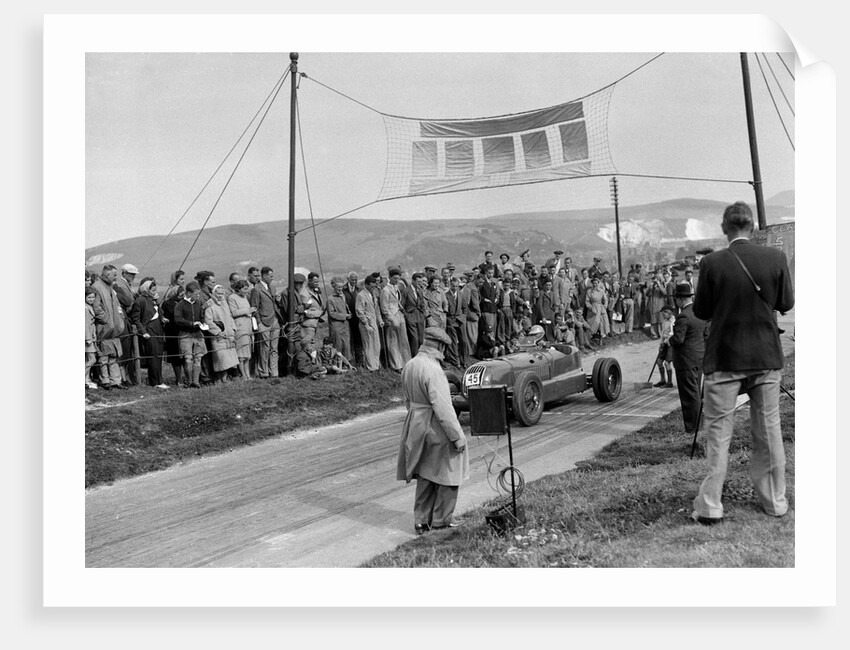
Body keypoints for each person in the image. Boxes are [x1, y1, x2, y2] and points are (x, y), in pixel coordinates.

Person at [690, 201, 795, 524]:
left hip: (724, 355)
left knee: (719, 433)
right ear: (752, 228)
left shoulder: (711, 263)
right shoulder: (775, 258)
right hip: (765, 355)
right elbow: (786, 303)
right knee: (768, 430)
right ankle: (774, 501)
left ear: (725, 229)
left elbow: (702, 311)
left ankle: (710, 505)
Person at [396, 327, 469, 534]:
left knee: (426, 473)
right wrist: (457, 436)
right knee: (449, 471)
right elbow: (444, 407)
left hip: (415, 422)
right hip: (434, 423)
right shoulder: (433, 369)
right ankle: (441, 520)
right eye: (444, 347)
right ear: (439, 345)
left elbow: (407, 400)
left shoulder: (409, 365)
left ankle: (421, 520)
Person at [669, 282, 708, 434]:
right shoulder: (699, 313)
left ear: (679, 299)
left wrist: (669, 340)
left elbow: (678, 340)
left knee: (689, 397)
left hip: (685, 361)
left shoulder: (683, 316)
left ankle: (693, 429)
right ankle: (699, 425)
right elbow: (705, 335)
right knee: (696, 393)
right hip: (698, 359)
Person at [90, 265, 127, 390]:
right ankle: (105, 380)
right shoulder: (96, 287)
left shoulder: (110, 287)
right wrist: (106, 321)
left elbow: (116, 305)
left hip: (114, 329)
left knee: (114, 356)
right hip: (104, 329)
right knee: (104, 357)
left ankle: (115, 380)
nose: (116, 277)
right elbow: (96, 307)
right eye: (114, 275)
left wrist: (119, 318)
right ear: (107, 275)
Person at [128, 278, 168, 389]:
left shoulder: (152, 300)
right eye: (152, 291)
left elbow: (158, 313)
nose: (155, 293)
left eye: (155, 290)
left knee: (159, 356)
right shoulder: (140, 301)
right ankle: (155, 382)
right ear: (146, 290)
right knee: (154, 356)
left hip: (158, 330)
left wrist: (162, 318)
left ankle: (160, 380)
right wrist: (143, 332)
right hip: (150, 332)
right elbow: (135, 319)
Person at [250, 266, 282, 378]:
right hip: (264, 322)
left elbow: (275, 303)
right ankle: (264, 372)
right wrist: (259, 323)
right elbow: (255, 307)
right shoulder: (256, 289)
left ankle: (274, 372)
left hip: (274, 320)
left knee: (274, 348)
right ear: (264, 276)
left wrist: (278, 301)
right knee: (264, 348)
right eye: (270, 276)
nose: (272, 278)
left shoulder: (272, 288)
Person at [173, 281, 207, 388]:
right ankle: (189, 380)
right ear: (188, 293)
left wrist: (203, 323)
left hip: (198, 333)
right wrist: (191, 324)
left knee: (198, 357)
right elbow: (178, 319)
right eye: (196, 294)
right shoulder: (180, 305)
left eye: (198, 294)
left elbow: (201, 316)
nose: (198, 296)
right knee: (187, 358)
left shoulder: (198, 303)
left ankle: (196, 381)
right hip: (185, 334)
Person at [204, 284, 239, 382]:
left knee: (230, 358)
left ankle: (227, 377)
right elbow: (208, 321)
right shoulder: (210, 304)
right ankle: (220, 378)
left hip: (229, 335)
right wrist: (218, 331)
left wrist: (233, 329)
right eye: (218, 293)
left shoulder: (225, 304)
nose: (220, 295)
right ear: (214, 293)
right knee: (221, 358)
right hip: (218, 336)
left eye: (222, 293)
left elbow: (230, 317)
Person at [380, 268, 411, 372]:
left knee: (403, 341)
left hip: (399, 315)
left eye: (398, 278)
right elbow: (384, 308)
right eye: (394, 278)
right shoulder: (385, 290)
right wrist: (391, 318)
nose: (396, 280)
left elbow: (398, 302)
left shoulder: (396, 287)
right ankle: (396, 365)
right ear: (389, 278)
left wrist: (401, 311)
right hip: (392, 318)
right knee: (393, 342)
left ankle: (405, 363)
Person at [227, 279, 256, 380]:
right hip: (240, 327)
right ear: (238, 289)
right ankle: (243, 375)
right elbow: (233, 312)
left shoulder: (245, 297)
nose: (247, 290)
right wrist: (247, 311)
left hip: (247, 326)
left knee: (247, 353)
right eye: (245, 288)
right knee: (241, 353)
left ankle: (247, 375)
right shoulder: (232, 298)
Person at [355, 275, 382, 372]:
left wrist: (380, 320)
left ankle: (376, 364)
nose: (373, 288)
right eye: (371, 286)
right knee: (368, 345)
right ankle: (371, 367)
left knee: (376, 344)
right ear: (366, 285)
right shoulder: (361, 295)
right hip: (366, 324)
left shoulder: (373, 294)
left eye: (374, 286)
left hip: (374, 322)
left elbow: (377, 309)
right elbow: (359, 311)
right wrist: (366, 325)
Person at [160, 284, 185, 386]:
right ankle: (179, 378)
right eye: (180, 294)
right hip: (172, 333)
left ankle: (186, 377)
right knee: (176, 358)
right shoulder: (167, 304)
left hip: (183, 331)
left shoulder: (184, 303)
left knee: (184, 356)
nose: (181, 296)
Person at [327, 276, 353, 363]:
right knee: (337, 345)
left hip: (345, 325)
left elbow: (346, 307)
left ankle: (347, 363)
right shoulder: (330, 299)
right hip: (336, 327)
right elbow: (332, 314)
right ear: (333, 287)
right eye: (338, 287)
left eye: (341, 287)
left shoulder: (343, 296)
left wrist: (349, 313)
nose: (340, 289)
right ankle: (337, 364)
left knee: (346, 346)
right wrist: (345, 316)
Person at [85, 286, 103, 389]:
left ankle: (86, 380)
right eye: (89, 297)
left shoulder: (89, 306)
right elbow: (85, 324)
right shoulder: (85, 308)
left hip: (91, 336)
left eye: (93, 297)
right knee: (92, 359)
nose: (91, 299)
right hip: (88, 339)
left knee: (88, 359)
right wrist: (88, 338)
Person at [654, 306, 675, 387]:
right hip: (664, 343)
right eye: (663, 312)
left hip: (670, 344)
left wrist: (666, 342)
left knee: (667, 363)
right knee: (659, 361)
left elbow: (672, 334)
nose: (663, 314)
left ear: (670, 313)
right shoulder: (665, 321)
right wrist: (661, 343)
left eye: (665, 312)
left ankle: (669, 382)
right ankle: (662, 380)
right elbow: (662, 333)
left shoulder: (673, 322)